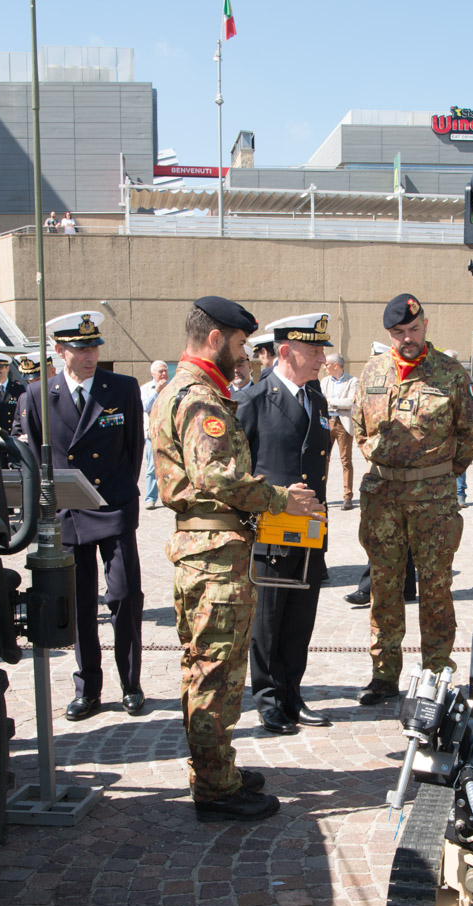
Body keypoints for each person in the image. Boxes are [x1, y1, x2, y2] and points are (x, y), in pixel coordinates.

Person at [150, 296, 320, 821]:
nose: (246, 355)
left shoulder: (192, 389)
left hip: (214, 551)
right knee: (214, 671)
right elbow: (215, 477)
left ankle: (216, 768)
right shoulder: (200, 397)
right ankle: (215, 789)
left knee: (215, 666)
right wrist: (279, 500)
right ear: (216, 338)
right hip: (213, 554)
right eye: (242, 343)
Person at [354, 293, 473, 706]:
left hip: (433, 500)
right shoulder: (372, 372)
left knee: (435, 588)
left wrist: (440, 473)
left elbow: (472, 433)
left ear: (425, 324)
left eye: (413, 330)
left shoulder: (449, 372)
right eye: (398, 333)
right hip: (382, 497)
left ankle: (436, 674)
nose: (407, 339)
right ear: (388, 334)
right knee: (384, 588)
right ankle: (383, 675)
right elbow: (359, 428)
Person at [20, 311, 146, 721]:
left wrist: (121, 496)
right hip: (70, 512)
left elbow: (133, 448)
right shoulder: (38, 395)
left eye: (94, 347)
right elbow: (40, 460)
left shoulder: (122, 388)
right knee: (81, 606)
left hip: (113, 506)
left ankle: (131, 683)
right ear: (59, 351)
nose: (90, 355)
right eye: (80, 348)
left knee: (125, 597)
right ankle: (87, 687)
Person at [237, 313, 336, 735]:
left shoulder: (317, 399)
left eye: (320, 350)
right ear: (285, 351)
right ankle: (268, 697)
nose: (320, 358)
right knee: (269, 620)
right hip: (271, 531)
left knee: (301, 617)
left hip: (311, 529)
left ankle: (292, 692)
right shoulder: (253, 401)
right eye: (313, 351)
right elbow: (238, 474)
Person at [320, 352, 358, 510]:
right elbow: (321, 400)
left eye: (327, 364)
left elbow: (351, 401)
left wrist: (331, 402)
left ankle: (347, 497)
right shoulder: (325, 381)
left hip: (343, 424)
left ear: (336, 365)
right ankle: (321, 495)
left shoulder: (352, 381)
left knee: (346, 461)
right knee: (323, 460)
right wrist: (334, 404)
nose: (325, 367)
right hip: (326, 423)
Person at [141, 359, 170, 509]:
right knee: (152, 468)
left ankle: (170, 497)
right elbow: (144, 407)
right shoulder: (145, 389)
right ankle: (150, 498)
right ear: (153, 374)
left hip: (169, 434)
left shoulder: (173, 387)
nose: (164, 373)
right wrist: (156, 391)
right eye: (160, 371)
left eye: (165, 370)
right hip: (151, 435)